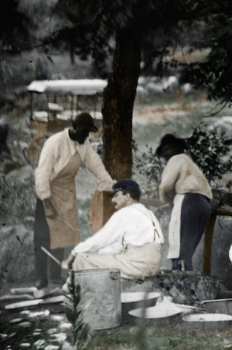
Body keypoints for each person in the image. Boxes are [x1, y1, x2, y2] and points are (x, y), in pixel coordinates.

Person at [33, 112, 115, 296]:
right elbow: (42, 173)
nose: (86, 136)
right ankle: (41, 281)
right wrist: (46, 201)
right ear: (74, 127)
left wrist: (110, 186)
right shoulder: (54, 143)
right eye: (84, 132)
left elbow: (97, 167)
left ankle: (55, 278)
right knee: (43, 238)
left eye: (89, 133)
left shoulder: (84, 145)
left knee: (60, 238)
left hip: (66, 194)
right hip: (48, 192)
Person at [61, 180, 163, 279]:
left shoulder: (126, 212)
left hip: (135, 264)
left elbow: (99, 240)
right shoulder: (148, 213)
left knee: (82, 258)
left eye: (116, 195)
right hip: (151, 265)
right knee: (97, 257)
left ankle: (78, 292)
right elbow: (119, 246)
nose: (113, 200)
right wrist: (99, 253)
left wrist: (73, 253)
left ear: (127, 196)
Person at [156, 134, 213, 271]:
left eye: (169, 148)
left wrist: (169, 202)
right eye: (165, 149)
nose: (166, 152)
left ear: (177, 148)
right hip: (203, 204)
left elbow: (165, 187)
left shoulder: (177, 159)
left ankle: (181, 284)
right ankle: (188, 282)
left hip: (189, 202)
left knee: (180, 250)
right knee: (187, 250)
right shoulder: (189, 163)